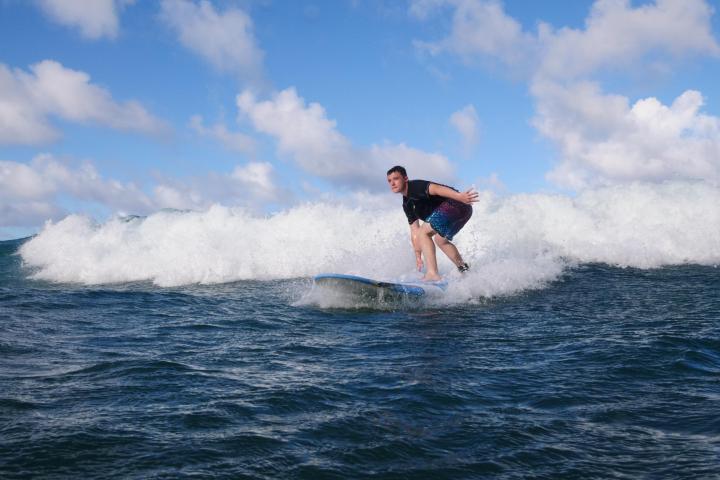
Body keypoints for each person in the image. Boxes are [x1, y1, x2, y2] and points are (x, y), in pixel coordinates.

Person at [387, 165, 478, 281]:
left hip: (457, 203)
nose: (392, 183)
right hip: (464, 210)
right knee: (441, 241)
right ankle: (466, 272)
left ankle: (432, 274)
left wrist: (459, 196)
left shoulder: (415, 187)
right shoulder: (407, 204)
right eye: (389, 181)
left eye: (396, 179)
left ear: (405, 179)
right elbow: (414, 230)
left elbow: (437, 189)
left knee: (424, 233)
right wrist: (418, 254)